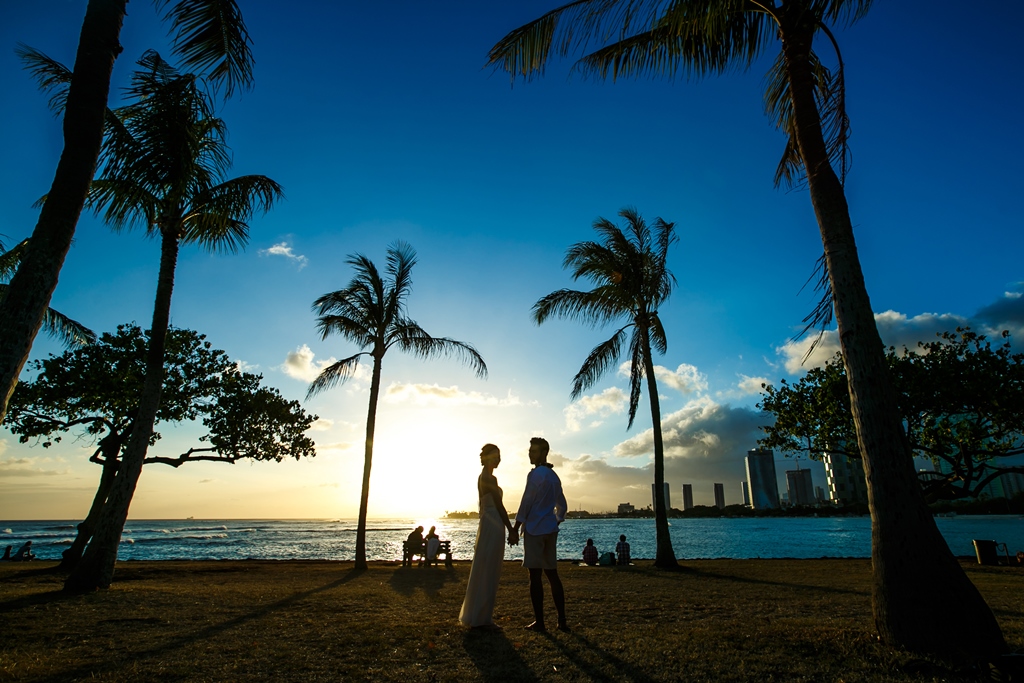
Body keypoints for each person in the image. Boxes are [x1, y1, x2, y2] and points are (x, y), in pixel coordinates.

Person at [513, 437, 569, 632]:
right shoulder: (554, 476)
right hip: (549, 529)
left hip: (535, 530)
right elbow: (562, 505)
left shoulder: (536, 475)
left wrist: (515, 527)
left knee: (535, 576)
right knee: (552, 575)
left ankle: (540, 622)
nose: (530, 454)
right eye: (530, 450)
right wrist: (556, 519)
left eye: (534, 451)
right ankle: (561, 620)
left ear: (544, 453)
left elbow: (526, 502)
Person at [460, 443, 517, 629]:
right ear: (485, 458)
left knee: (484, 565)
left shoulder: (483, 477)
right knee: (489, 567)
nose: (497, 460)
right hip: (493, 522)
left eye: (499, 456)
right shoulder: (489, 479)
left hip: (487, 521)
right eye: (494, 456)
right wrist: (511, 528)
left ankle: (477, 614)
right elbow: (499, 506)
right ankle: (482, 617)